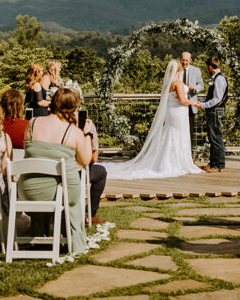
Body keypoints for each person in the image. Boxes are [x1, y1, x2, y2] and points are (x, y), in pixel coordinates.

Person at [100, 59, 203, 179]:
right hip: (179, 111)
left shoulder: (169, 83)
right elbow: (182, 100)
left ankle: (166, 161)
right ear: (178, 70)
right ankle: (176, 162)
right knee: (179, 134)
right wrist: (194, 103)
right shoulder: (178, 83)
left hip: (172, 112)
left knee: (171, 133)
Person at [20, 88, 90, 253]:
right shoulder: (73, 132)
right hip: (59, 193)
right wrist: (87, 134)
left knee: (47, 183)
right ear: (74, 108)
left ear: (52, 103)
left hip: (29, 190)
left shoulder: (32, 123)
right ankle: (72, 239)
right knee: (72, 197)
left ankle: (40, 235)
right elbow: (85, 161)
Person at [68, 88, 108, 225]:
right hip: (77, 172)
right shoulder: (87, 125)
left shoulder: (53, 125)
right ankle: (90, 214)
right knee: (101, 172)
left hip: (54, 172)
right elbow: (93, 158)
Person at [199, 55, 228, 173]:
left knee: (216, 137)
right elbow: (210, 97)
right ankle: (213, 163)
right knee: (213, 137)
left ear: (210, 67)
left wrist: (202, 105)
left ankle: (219, 164)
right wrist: (200, 102)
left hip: (216, 110)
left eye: (207, 67)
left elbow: (217, 99)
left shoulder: (219, 79)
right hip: (213, 110)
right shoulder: (216, 78)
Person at [180, 51, 205, 147]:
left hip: (191, 105)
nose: (184, 63)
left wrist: (194, 88)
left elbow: (201, 85)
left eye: (186, 60)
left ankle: (189, 152)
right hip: (179, 104)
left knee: (190, 130)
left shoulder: (196, 70)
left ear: (190, 60)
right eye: (182, 60)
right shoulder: (177, 70)